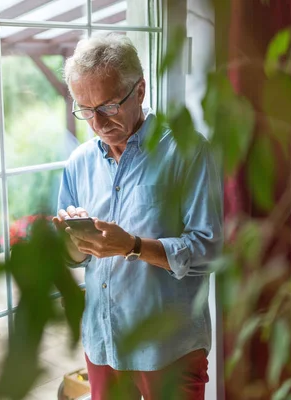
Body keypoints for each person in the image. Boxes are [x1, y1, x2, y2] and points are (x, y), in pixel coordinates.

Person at [53, 33, 223, 400]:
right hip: (103, 346)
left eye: (108, 106)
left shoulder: (189, 152)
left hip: (170, 351)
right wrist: (73, 243)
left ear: (140, 90)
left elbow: (209, 250)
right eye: (84, 109)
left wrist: (131, 246)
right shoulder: (78, 164)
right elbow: (75, 257)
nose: (96, 122)